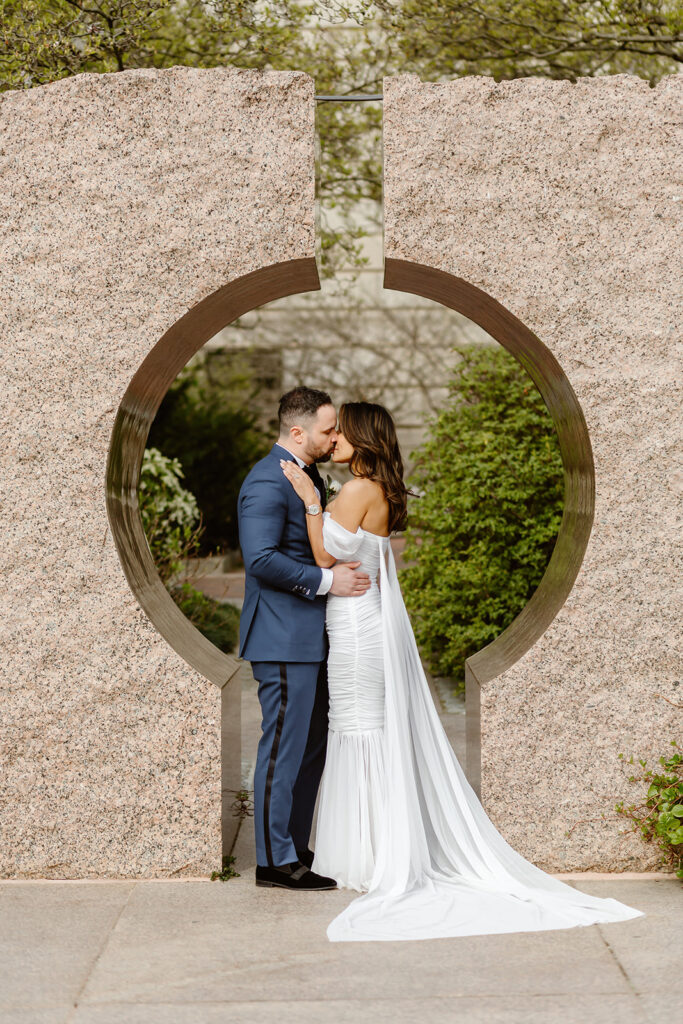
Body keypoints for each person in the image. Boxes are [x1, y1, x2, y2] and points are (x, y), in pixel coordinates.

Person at [280, 398, 645, 942]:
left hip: (357, 627)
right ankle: (373, 844)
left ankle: (368, 852)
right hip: (360, 619)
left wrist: (311, 502)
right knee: (361, 730)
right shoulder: (372, 489)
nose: (332, 442)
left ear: (363, 438)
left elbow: (326, 559)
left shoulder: (356, 490)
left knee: (356, 729)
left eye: (341, 434)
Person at [237, 386, 372, 891]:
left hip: (311, 639)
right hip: (281, 638)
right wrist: (328, 581)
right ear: (298, 432)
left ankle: (294, 845)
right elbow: (261, 559)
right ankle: (273, 860)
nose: (336, 436)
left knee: (311, 747)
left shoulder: (307, 475)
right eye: (328, 429)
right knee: (282, 749)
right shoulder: (268, 482)